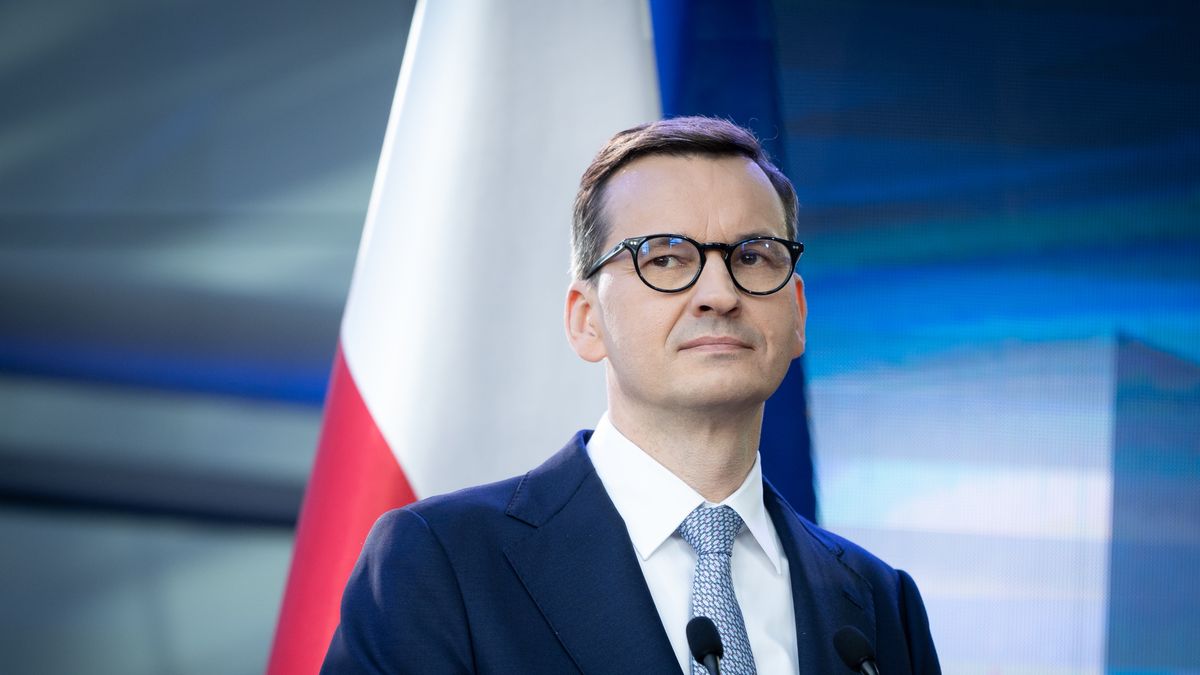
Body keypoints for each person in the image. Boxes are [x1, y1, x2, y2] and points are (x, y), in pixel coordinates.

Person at [321, 117, 940, 674]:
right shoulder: (441, 564)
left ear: (797, 313)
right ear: (586, 320)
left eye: (753, 256)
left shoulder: (881, 604)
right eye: (667, 259)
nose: (719, 294)